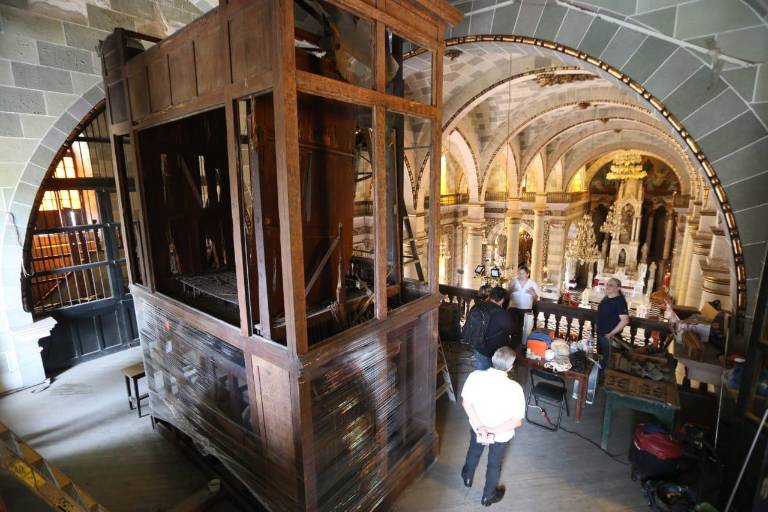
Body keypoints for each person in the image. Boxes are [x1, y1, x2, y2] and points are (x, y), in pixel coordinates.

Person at [460, 347, 525, 507]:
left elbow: (466, 403)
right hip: (501, 435)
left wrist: (481, 428)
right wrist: (492, 431)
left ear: (493, 360)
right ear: (510, 367)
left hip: (478, 428)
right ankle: (488, 496)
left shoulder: (475, 376)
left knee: (474, 451)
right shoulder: (515, 388)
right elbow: (516, 421)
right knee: (494, 464)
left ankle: (467, 477)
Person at [468, 286, 515, 370]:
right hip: (493, 351)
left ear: (490, 296)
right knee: (493, 373)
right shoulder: (503, 314)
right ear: (502, 300)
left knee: (481, 372)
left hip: (478, 346)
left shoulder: (477, 306)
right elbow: (511, 330)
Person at [595, 277, 630, 371]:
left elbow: (625, 320)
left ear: (618, 288)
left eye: (611, 285)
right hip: (601, 334)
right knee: (600, 358)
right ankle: (598, 376)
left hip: (609, 337)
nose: (607, 286)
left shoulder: (619, 301)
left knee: (607, 362)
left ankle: (603, 378)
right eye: (607, 284)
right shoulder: (606, 298)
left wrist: (611, 334)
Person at [507, 265, 538, 348]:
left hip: (526, 309)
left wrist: (533, 293)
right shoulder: (513, 282)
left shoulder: (532, 283)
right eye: (519, 273)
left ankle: (521, 348)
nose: (521, 275)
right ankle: (512, 346)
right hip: (513, 309)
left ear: (527, 274)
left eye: (523, 273)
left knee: (524, 330)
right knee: (513, 328)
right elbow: (507, 296)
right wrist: (511, 291)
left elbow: (536, 298)